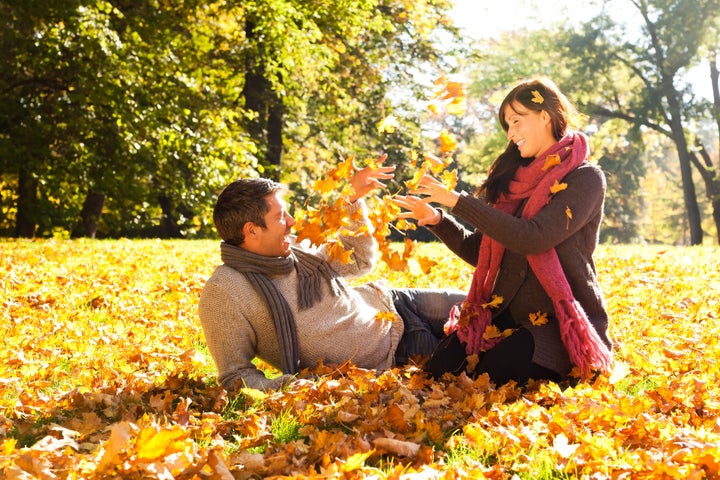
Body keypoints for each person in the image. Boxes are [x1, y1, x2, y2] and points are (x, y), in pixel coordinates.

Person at [394, 78, 613, 387]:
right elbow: (477, 250)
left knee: (491, 374)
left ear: (545, 116)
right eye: (507, 125)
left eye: (516, 121)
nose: (511, 133)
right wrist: (436, 219)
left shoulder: (585, 178)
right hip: (503, 317)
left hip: (555, 324)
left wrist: (459, 201)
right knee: (439, 371)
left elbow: (533, 237)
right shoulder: (514, 184)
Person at [198, 154, 466, 392]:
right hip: (398, 352)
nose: (292, 222)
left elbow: (359, 259)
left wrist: (352, 200)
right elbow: (235, 374)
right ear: (251, 230)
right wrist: (287, 386)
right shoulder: (225, 292)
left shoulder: (295, 250)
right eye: (281, 217)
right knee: (492, 356)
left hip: (397, 304)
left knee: (491, 306)